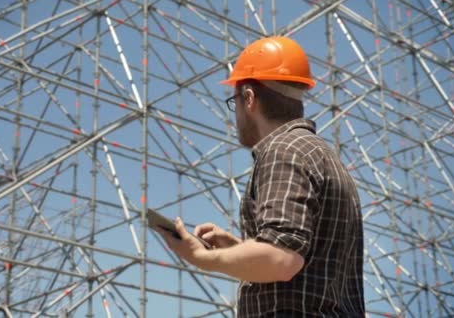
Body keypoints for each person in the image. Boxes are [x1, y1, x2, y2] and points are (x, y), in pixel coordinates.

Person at [156, 36, 365, 317]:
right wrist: (241, 249)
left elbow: (282, 259)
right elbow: (304, 261)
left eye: (235, 102)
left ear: (249, 98)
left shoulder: (283, 151)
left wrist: (202, 257)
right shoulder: (322, 155)